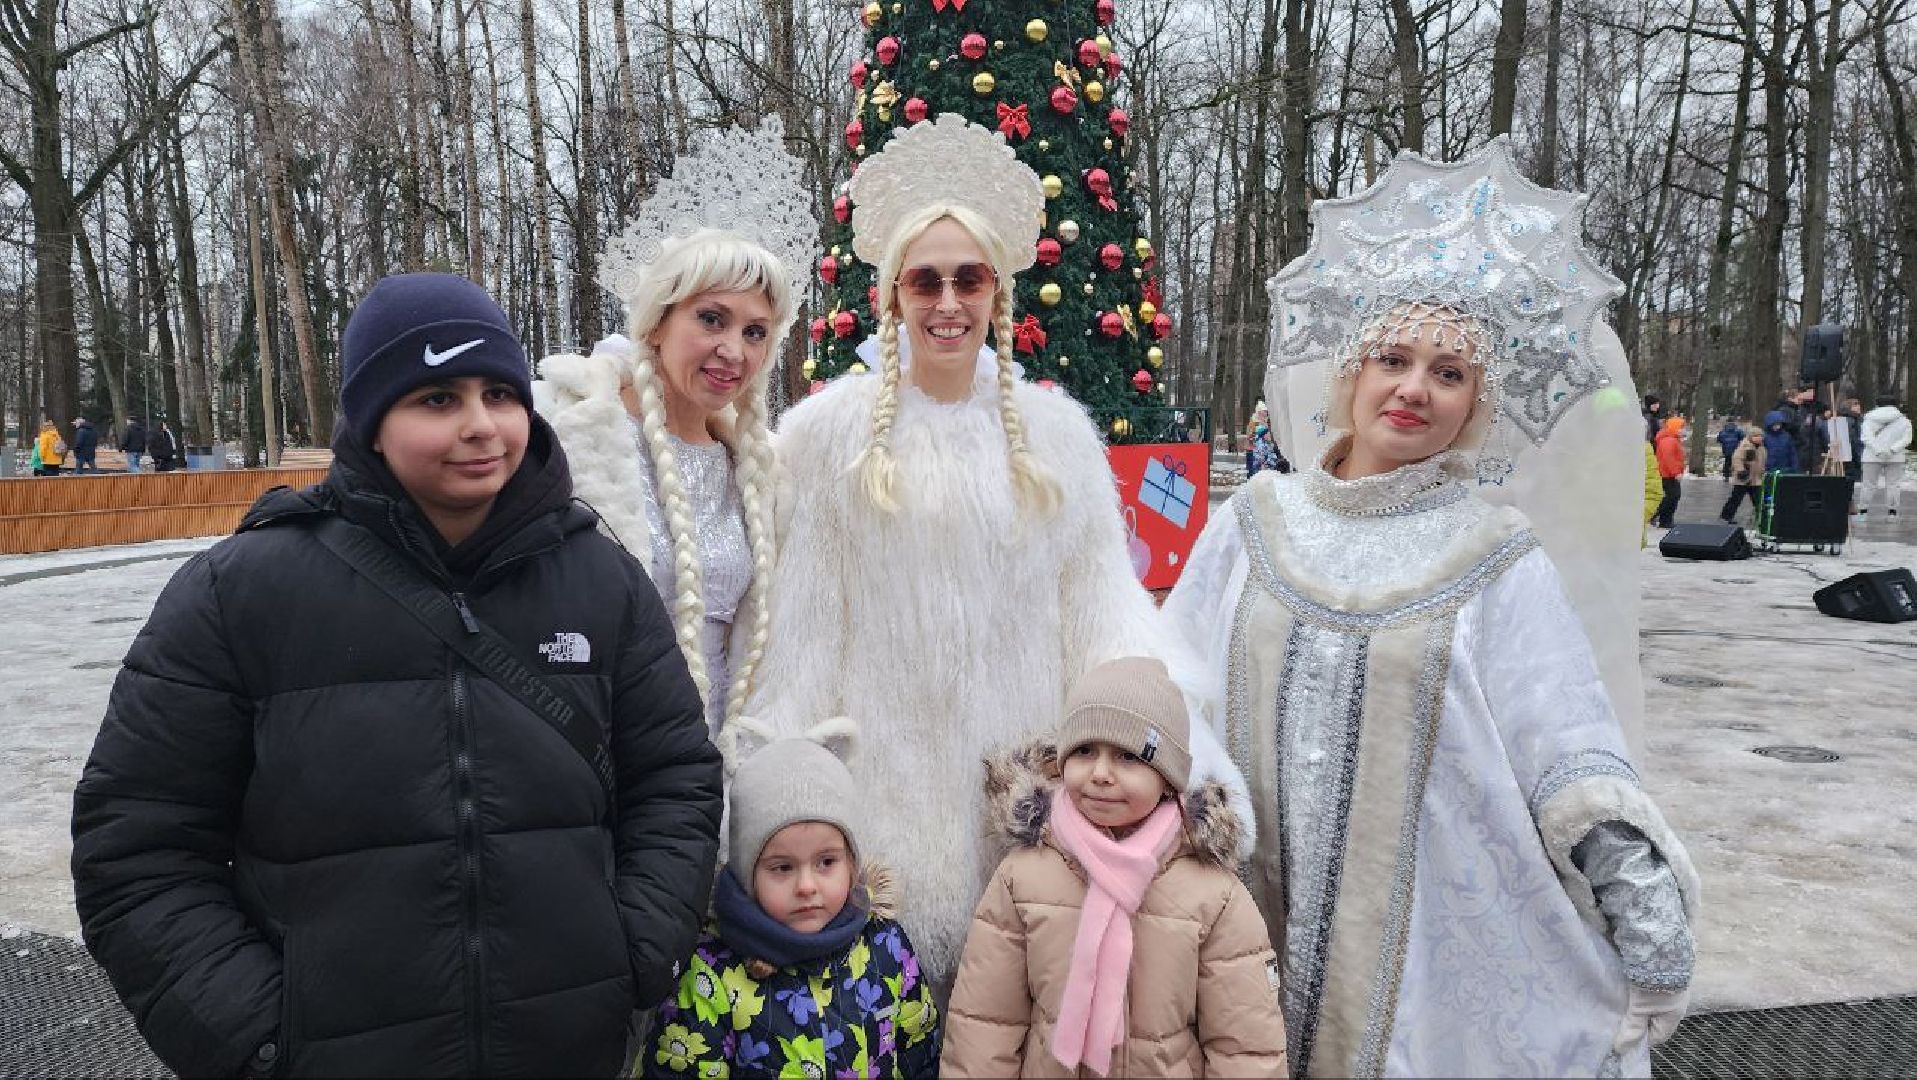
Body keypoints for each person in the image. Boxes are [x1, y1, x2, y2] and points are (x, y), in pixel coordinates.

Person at [71, 273, 723, 1079]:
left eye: (498, 394)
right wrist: (261, 1038)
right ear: (373, 420)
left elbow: (677, 780)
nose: (481, 426)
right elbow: (138, 849)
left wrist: (630, 957)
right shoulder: (240, 592)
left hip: (566, 1046)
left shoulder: (602, 581)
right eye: (438, 399)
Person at [1172, 141, 1698, 1076]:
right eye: (1393, 358)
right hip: (1235, 926)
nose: (1414, 387)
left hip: (1426, 974)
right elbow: (1170, 684)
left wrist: (1640, 908)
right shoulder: (1253, 521)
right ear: (1350, 374)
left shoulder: (1494, 556)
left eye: (1448, 373)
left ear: (1473, 408)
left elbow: (1563, 744)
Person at [744, 114, 1248, 984]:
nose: (947, 304)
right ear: (892, 294)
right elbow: (798, 639)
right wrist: (769, 804)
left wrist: (1187, 757)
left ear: (996, 291)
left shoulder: (1055, 437)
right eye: (925, 281)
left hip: (1024, 818)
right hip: (874, 816)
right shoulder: (823, 437)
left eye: (967, 279)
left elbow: (1106, 618)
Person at [942, 658, 1288, 1078]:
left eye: (1128, 756)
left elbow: (1245, 1046)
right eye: (1085, 751)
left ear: (1167, 778)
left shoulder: (1212, 893)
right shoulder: (1024, 875)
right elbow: (987, 1022)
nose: (1101, 773)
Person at [647, 724, 941, 1079]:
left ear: (851, 863)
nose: (806, 886)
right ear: (747, 874)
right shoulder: (714, 975)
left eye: (826, 862)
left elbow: (920, 1052)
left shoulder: (886, 948)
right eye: (782, 867)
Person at [1859, 395, 1912, 520]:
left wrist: (1878, 451)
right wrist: (1893, 449)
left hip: (1872, 456)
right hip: (1895, 457)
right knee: (1893, 484)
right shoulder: (1904, 420)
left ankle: (1863, 511)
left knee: (1868, 484)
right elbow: (1906, 439)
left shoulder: (1869, 419)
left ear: (1877, 404)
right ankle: (1892, 512)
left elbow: (1866, 437)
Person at [1720, 428, 1766, 524]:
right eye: (1755, 436)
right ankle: (1726, 515)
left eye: (1760, 436)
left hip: (1756, 479)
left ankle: (1761, 517)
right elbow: (1737, 459)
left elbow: (1762, 461)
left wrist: (1763, 471)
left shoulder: (1762, 448)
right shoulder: (1745, 446)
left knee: (1758, 500)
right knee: (1736, 498)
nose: (1758, 438)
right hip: (1743, 478)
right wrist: (1741, 470)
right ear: (1750, 437)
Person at [1652, 416, 1686, 528]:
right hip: (1668, 474)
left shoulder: (1670, 439)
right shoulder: (1669, 440)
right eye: (1681, 428)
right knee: (1672, 496)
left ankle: (1664, 519)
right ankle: (1661, 517)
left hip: (1667, 474)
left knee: (1671, 496)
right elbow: (1669, 458)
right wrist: (1676, 472)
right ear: (1674, 427)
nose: (1683, 430)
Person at [1761, 409, 1800, 474]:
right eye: (1774, 425)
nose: (1777, 427)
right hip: (1769, 468)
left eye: (1778, 424)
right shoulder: (1765, 436)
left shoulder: (1786, 436)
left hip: (1784, 468)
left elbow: (1792, 452)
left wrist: (1794, 466)